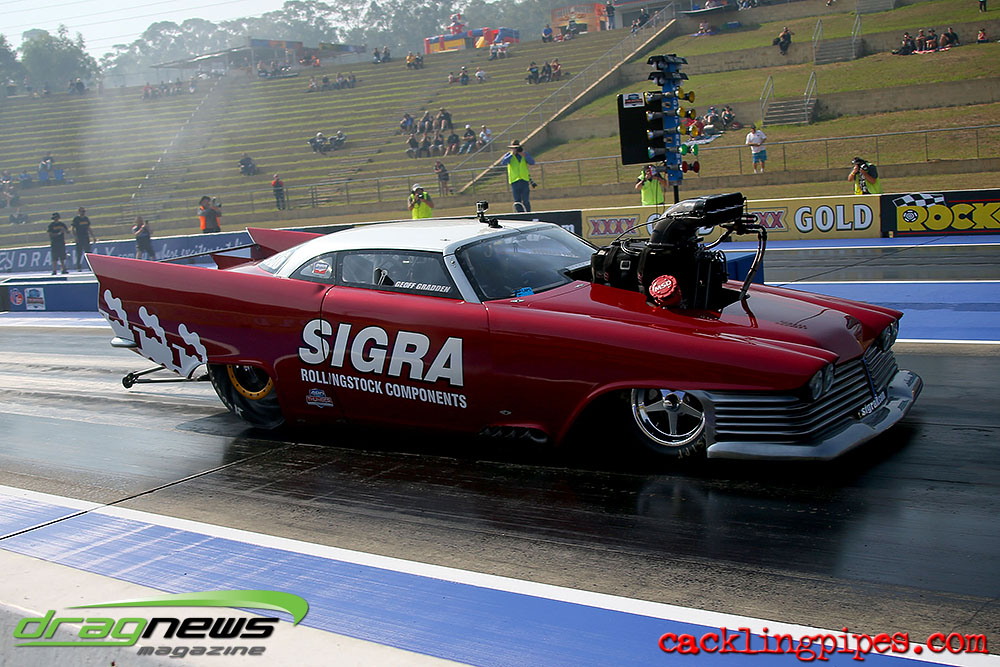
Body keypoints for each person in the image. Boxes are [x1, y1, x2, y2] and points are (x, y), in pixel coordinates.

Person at [500, 140, 536, 212]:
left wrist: (524, 155)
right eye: (514, 148)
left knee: (526, 200)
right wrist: (512, 155)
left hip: (524, 179)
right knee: (517, 201)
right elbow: (503, 162)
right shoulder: (509, 155)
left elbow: (532, 162)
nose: (516, 149)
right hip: (514, 181)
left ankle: (528, 213)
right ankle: (520, 214)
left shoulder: (524, 154)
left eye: (517, 148)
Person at [70, 206, 97, 271]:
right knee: (79, 253)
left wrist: (93, 237)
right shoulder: (76, 219)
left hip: (86, 237)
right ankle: (78, 267)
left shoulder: (86, 219)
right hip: (79, 238)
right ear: (79, 212)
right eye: (82, 211)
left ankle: (90, 266)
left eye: (84, 211)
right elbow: (72, 229)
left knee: (88, 252)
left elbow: (89, 228)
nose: (83, 213)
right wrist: (75, 237)